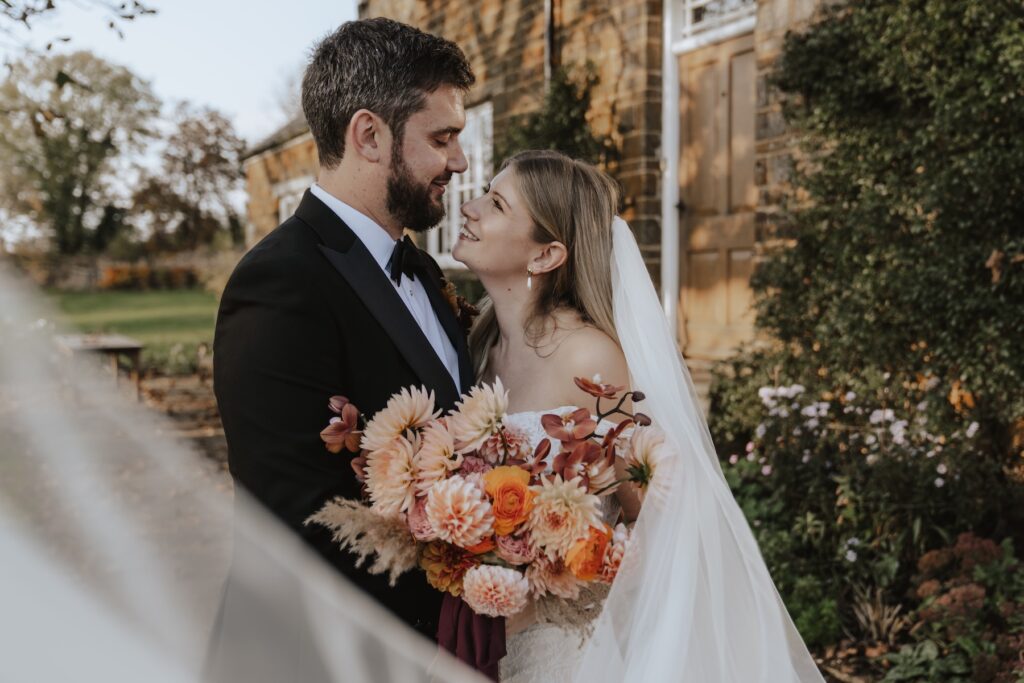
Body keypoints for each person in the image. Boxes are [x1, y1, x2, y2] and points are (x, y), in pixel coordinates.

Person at [453, 150, 826, 682]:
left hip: (558, 646)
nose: (468, 207)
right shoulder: (475, 345)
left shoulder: (590, 358)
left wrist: (561, 559)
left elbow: (647, 521)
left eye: (495, 203)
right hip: (478, 634)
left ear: (545, 255)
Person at [209, 17, 487, 680]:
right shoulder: (280, 282)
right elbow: (302, 521)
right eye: (442, 138)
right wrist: (478, 570)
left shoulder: (423, 271)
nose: (460, 161)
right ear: (369, 134)